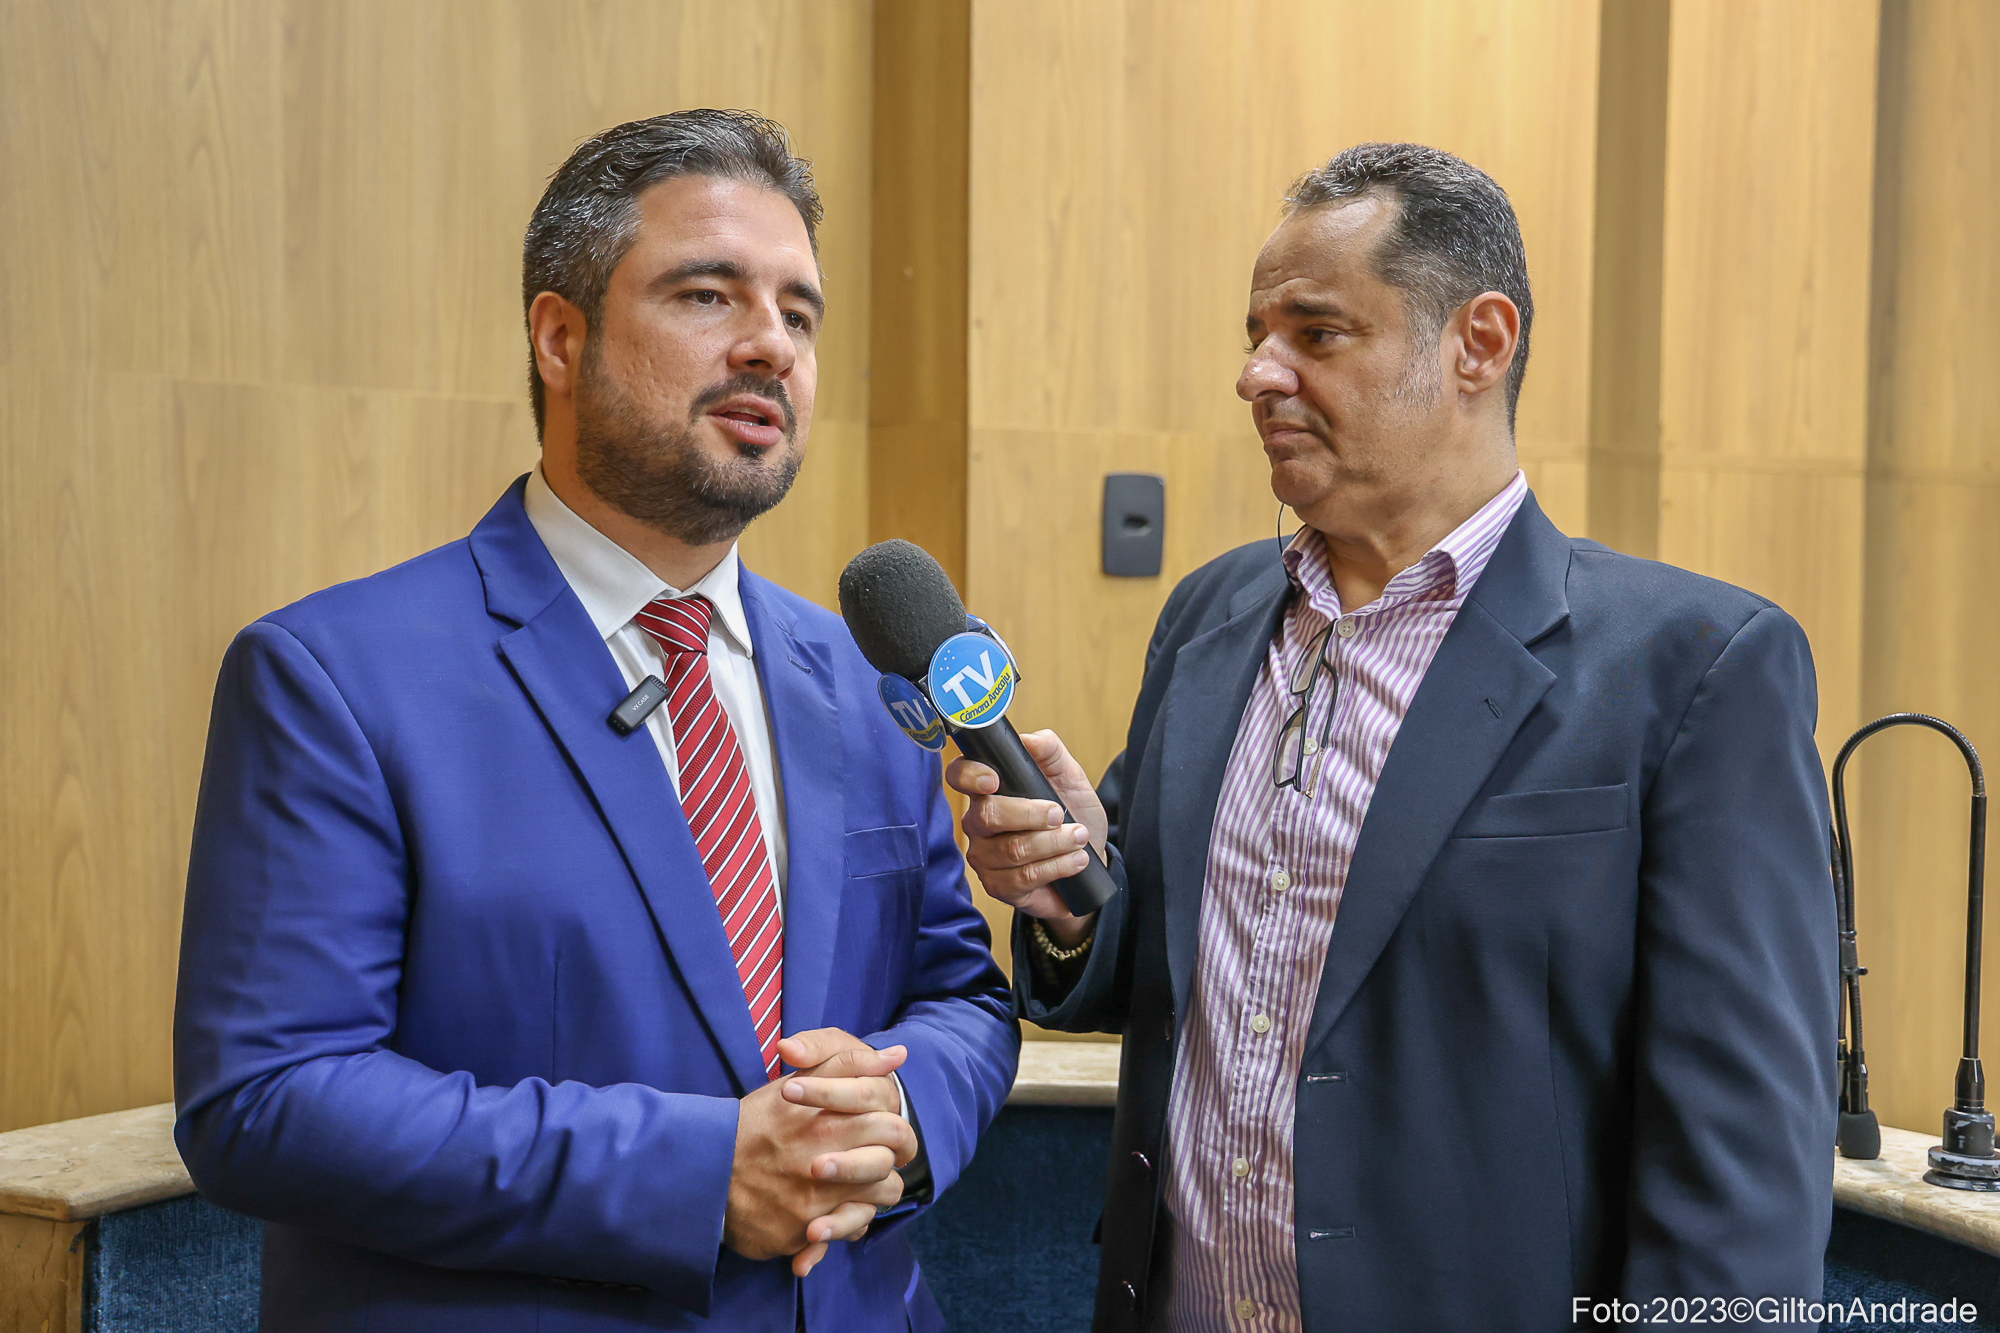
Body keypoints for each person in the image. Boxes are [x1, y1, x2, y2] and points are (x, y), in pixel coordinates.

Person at [947, 143, 1835, 1332]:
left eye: (1314, 334)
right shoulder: (1210, 616)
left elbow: (1740, 1169)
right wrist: (1067, 890)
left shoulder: (1693, 670)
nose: (1256, 374)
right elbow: (1148, 971)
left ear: (1478, 343)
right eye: (1254, 336)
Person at [174, 110, 1016, 1332]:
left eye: (798, 313)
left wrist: (903, 1107)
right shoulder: (332, 678)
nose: (770, 345)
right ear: (559, 338)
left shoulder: (862, 675)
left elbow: (960, 994)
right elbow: (266, 1100)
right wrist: (697, 1172)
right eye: (707, 296)